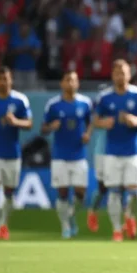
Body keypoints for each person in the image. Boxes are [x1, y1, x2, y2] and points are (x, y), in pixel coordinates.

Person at [93, 60, 137, 241]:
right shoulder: (104, 97)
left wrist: (136, 120)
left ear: (129, 75)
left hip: (133, 151)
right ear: (112, 75)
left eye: (123, 72)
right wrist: (105, 123)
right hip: (111, 152)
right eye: (117, 72)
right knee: (114, 192)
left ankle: (129, 217)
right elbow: (95, 120)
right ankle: (117, 230)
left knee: (134, 192)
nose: (120, 75)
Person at [0, 66, 33, 240]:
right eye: (0, 79)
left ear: (11, 80)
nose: (3, 82)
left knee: (9, 194)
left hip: (12, 154)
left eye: (6, 78)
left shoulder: (20, 100)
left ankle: (4, 224)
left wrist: (15, 121)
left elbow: (29, 124)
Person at [41, 71, 93, 239]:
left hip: (79, 155)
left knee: (81, 193)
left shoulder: (85, 103)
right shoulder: (53, 105)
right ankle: (65, 226)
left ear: (78, 84)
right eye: (67, 80)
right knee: (62, 192)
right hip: (60, 156)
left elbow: (90, 122)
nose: (71, 83)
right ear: (62, 83)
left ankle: (71, 216)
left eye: (74, 80)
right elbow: (43, 128)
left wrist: (88, 134)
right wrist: (50, 127)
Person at [87, 84, 110, 233]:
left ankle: (124, 221)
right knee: (103, 187)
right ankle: (92, 211)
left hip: (122, 151)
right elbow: (93, 122)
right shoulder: (98, 109)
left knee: (122, 186)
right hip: (102, 151)